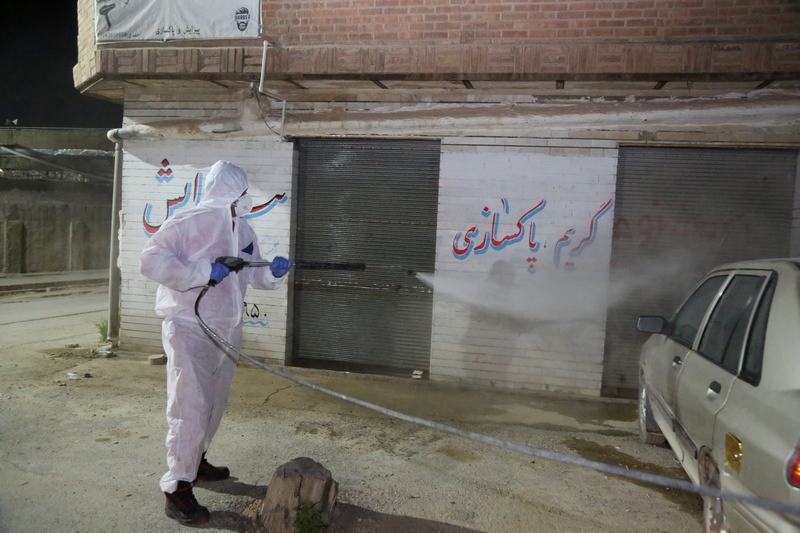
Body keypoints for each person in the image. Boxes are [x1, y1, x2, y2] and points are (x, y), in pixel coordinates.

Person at [139, 160, 292, 526]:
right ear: (227, 192)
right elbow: (150, 260)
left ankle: (197, 460)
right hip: (189, 325)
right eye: (242, 192)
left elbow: (253, 273)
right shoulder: (187, 222)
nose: (246, 199)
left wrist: (272, 273)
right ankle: (177, 487)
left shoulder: (244, 229)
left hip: (226, 330)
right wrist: (202, 272)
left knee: (214, 403)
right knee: (189, 406)